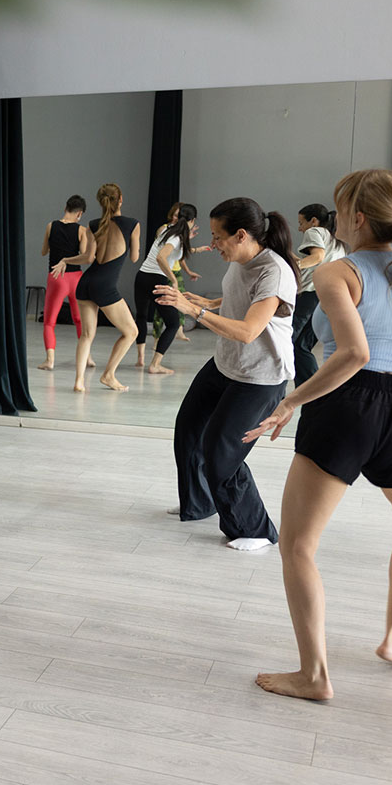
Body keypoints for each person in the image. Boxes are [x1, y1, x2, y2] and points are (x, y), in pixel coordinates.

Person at [244, 169, 392, 701]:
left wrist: (291, 399)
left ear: (356, 218)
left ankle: (314, 675)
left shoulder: (340, 272)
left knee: (297, 545)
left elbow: (355, 354)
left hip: (345, 406)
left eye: (340, 210)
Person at [155, 196, 298, 552]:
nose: (212, 244)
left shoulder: (274, 271)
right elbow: (242, 297)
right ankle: (200, 503)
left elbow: (249, 330)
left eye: (218, 237)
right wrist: (210, 302)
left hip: (260, 377)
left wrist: (191, 310)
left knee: (221, 454)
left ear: (241, 235)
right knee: (189, 428)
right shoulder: (239, 258)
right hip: (226, 364)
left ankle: (256, 530)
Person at [73, 183, 141, 392]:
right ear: (120, 200)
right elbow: (134, 256)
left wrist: (66, 260)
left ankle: (79, 382)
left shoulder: (92, 225)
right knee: (131, 332)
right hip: (105, 286)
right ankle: (108, 374)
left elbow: (88, 257)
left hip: (85, 283)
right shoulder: (132, 224)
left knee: (87, 335)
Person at [133, 203, 199, 375]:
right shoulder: (176, 237)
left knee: (141, 315)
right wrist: (172, 279)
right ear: (193, 220)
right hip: (156, 279)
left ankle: (140, 358)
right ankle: (155, 364)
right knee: (173, 323)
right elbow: (162, 257)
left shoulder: (168, 229)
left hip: (141, 277)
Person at [36, 194, 96, 371]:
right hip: (76, 278)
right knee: (80, 320)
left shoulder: (50, 226)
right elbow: (85, 256)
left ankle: (50, 360)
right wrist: (69, 258)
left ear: (66, 208)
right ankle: (88, 357)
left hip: (56, 277)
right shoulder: (81, 230)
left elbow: (43, 251)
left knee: (49, 321)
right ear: (80, 214)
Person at [290, 204, 345, 386]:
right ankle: (313, 389)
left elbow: (317, 257)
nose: (300, 228)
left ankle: (273, 389)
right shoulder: (336, 240)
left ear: (313, 220)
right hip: (329, 299)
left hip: (311, 295)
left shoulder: (315, 231)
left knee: (284, 341)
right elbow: (318, 260)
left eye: (301, 222)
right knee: (300, 346)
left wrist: (293, 267)